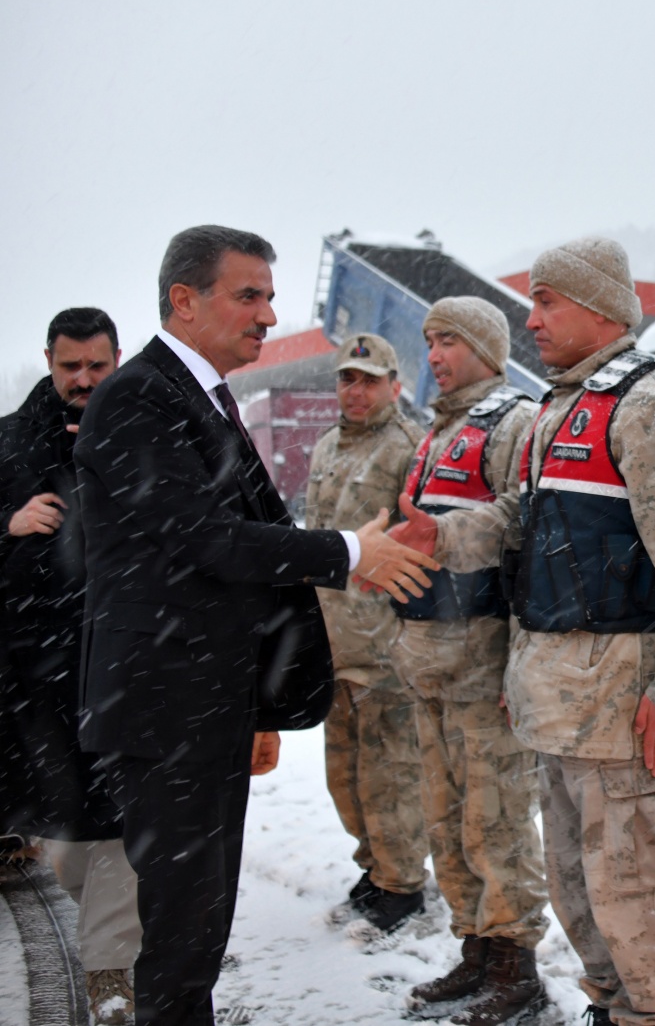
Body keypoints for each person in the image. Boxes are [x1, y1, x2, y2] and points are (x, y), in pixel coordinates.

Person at [74, 224, 440, 1026]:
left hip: (203, 699)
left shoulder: (200, 394)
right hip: (167, 705)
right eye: (249, 295)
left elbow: (242, 536)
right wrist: (350, 552)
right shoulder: (138, 396)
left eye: (270, 296)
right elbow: (205, 540)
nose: (269, 315)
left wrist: (259, 699)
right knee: (180, 928)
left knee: (200, 921)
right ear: (184, 299)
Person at [394, 237, 655, 1026]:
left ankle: (651, 1016)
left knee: (631, 893)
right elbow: (525, 527)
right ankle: (611, 1009)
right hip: (558, 706)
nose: (532, 317)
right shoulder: (558, 408)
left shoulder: (653, 405)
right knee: (576, 891)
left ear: (601, 308)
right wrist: (443, 538)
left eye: (547, 301)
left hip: (624, 715)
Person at [383, 297, 550, 1026]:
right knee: (445, 819)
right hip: (428, 661)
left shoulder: (512, 422)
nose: (434, 355)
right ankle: (476, 948)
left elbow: (522, 546)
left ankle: (516, 962)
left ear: (485, 346)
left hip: (482, 662)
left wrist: (520, 662)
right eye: (428, 341)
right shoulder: (438, 429)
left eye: (448, 339)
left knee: (496, 819)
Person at [0, 307, 139, 1024]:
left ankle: (111, 970)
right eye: (69, 367)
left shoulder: (149, 435)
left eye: (97, 366)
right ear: (49, 362)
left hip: (125, 666)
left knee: (117, 822)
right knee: (67, 833)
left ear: (118, 356)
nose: (83, 381)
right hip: (37, 677)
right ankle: (103, 938)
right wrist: (9, 522)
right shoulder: (8, 443)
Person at [304, 332, 431, 934]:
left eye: (370, 381)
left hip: (383, 650)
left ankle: (401, 882)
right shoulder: (327, 445)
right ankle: (373, 865)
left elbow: (422, 549)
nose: (356, 392)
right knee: (346, 776)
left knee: (391, 777)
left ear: (394, 387)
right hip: (332, 643)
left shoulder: (409, 447)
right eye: (347, 379)